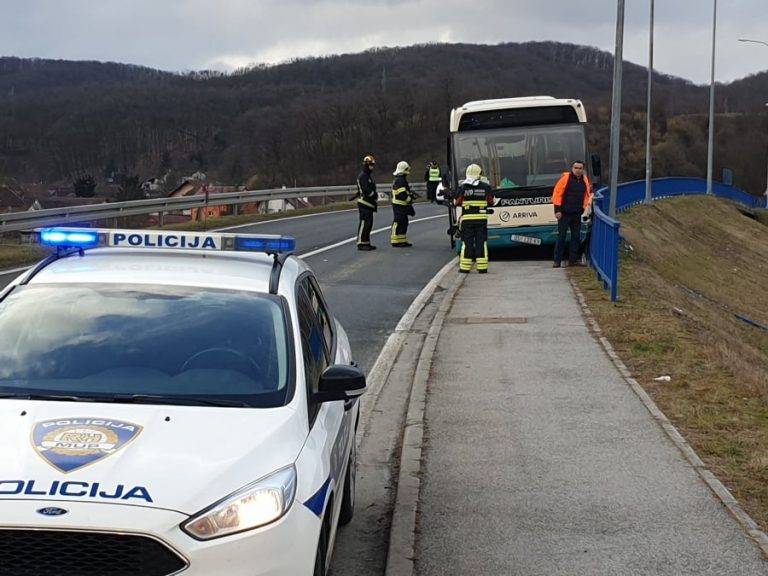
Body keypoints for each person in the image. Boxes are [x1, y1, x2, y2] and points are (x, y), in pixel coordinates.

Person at [552, 160, 593, 268]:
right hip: (564, 213)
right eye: (576, 168)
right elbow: (557, 194)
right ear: (572, 168)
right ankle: (557, 261)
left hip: (576, 213)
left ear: (583, 169)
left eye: (580, 168)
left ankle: (573, 260)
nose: (578, 170)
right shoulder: (565, 179)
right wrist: (557, 210)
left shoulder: (585, 180)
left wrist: (583, 208)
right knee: (561, 237)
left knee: (576, 237)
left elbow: (587, 194)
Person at [456, 164, 494, 273]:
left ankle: (464, 267)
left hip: (467, 221)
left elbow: (457, 202)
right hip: (481, 220)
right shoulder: (485, 186)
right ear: (479, 173)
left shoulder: (463, 187)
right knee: (481, 242)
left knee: (467, 243)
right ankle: (482, 268)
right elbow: (491, 201)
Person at [356, 155, 378, 251]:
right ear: (367, 165)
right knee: (364, 223)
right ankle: (361, 242)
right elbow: (365, 189)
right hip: (364, 202)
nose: (372, 166)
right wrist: (374, 195)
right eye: (371, 164)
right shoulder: (363, 176)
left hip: (369, 203)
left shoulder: (368, 176)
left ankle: (366, 242)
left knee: (369, 224)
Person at [391, 161, 415, 248]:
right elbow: (402, 194)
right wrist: (409, 199)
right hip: (398, 205)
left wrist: (410, 196)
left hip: (402, 204)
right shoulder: (400, 180)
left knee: (404, 222)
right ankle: (395, 240)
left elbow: (405, 192)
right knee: (398, 221)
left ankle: (402, 240)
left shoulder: (401, 179)